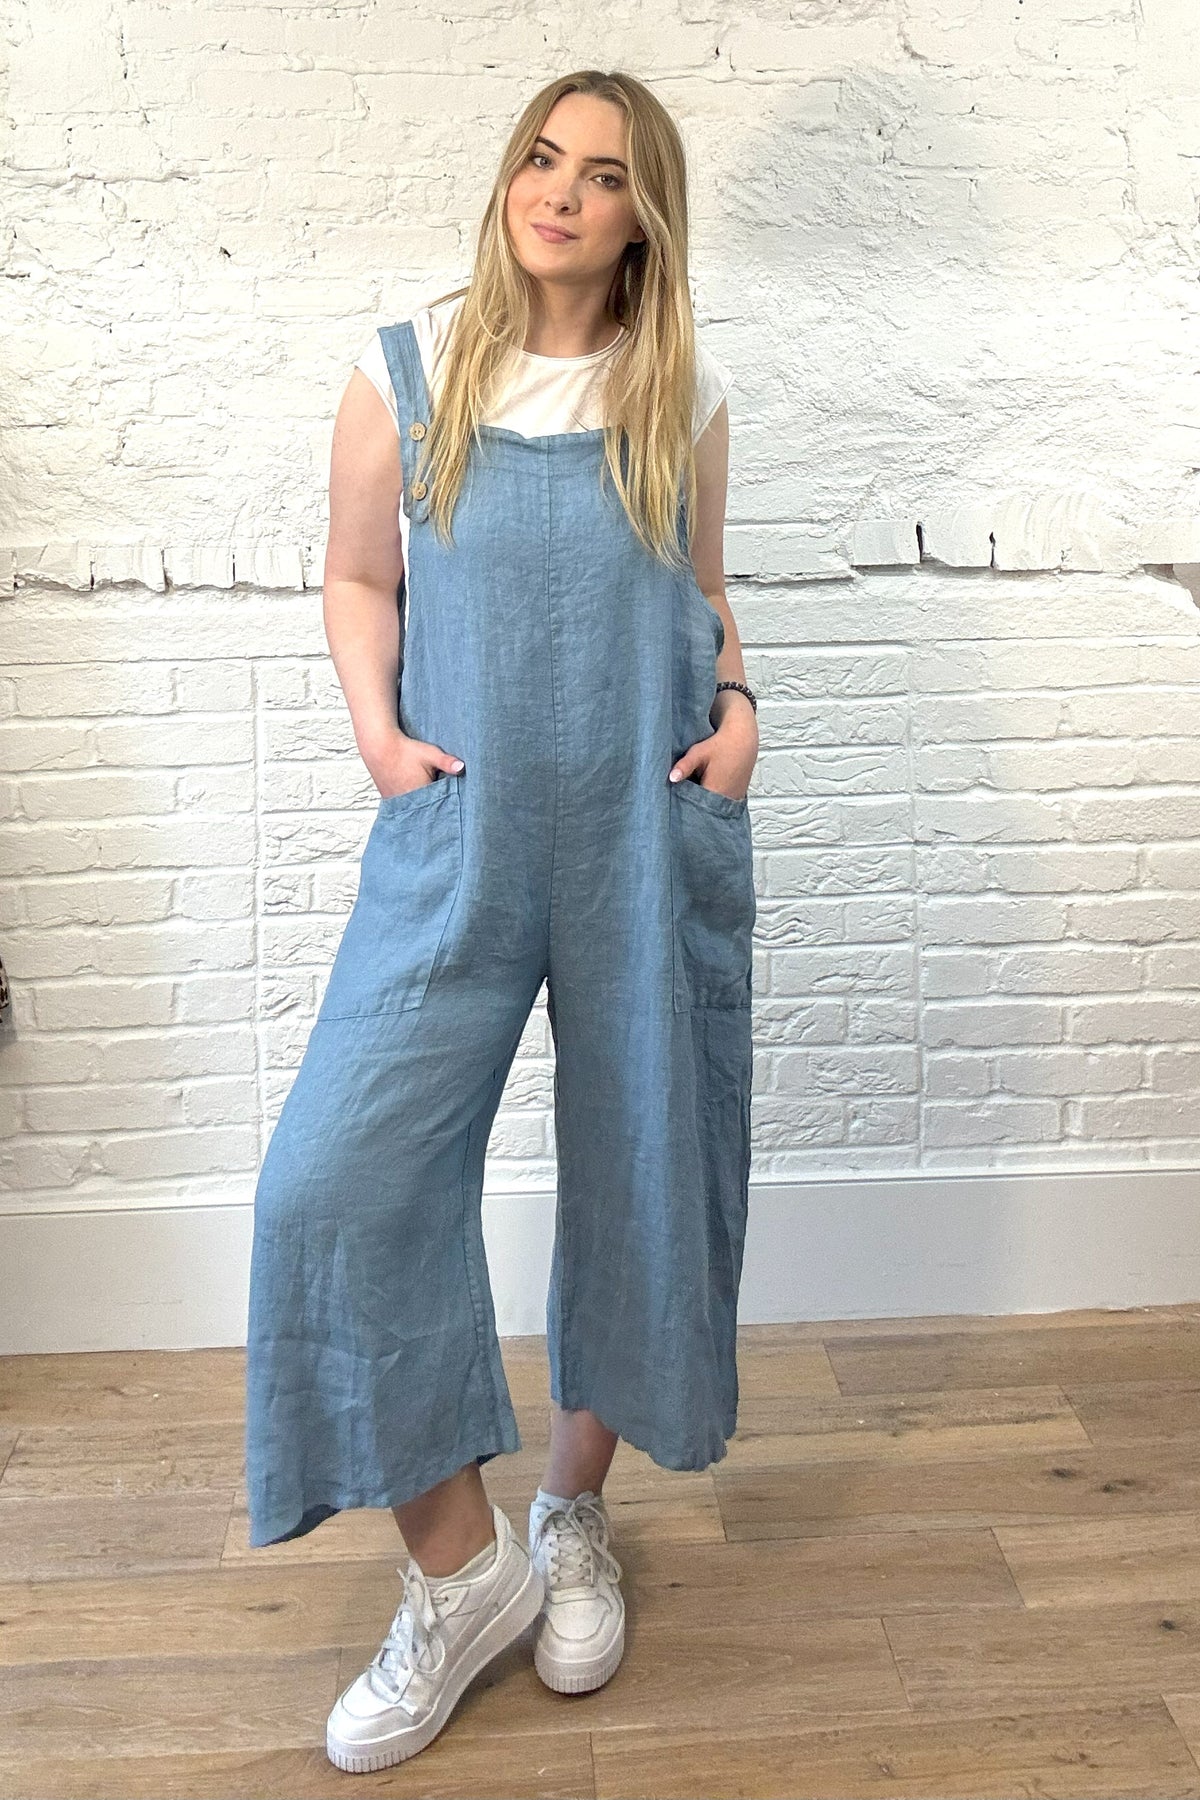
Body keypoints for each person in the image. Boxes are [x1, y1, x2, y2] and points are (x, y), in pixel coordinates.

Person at [243, 67, 758, 1773]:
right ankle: (462, 1578)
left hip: (642, 825)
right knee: (332, 1181)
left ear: (641, 216)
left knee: (644, 1171)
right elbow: (357, 573)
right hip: (456, 831)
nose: (560, 192)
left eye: (602, 174)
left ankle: (571, 1516)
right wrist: (379, 738)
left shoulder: (680, 391)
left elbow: (701, 591)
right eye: (542, 157)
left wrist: (740, 705)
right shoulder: (410, 365)